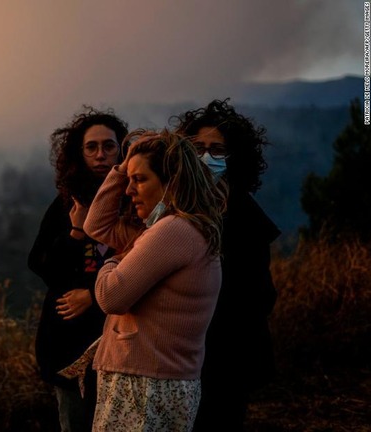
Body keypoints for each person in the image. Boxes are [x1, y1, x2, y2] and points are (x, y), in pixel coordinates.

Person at [83, 130, 227, 431]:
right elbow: (95, 224)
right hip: (158, 380)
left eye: (139, 180)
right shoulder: (177, 228)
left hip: (145, 384)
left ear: (170, 183)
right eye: (128, 180)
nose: (127, 189)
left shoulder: (172, 231)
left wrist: (117, 259)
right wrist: (124, 168)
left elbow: (111, 297)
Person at [172, 99, 281, 432]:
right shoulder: (181, 208)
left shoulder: (246, 218)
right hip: (185, 355)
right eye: (198, 147)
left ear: (236, 158)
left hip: (228, 356)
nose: (206, 156)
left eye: (217, 149)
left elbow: (261, 295)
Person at [28, 106, 129, 432]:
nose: (100, 155)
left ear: (122, 149)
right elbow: (41, 265)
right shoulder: (67, 203)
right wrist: (75, 231)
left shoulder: (133, 199)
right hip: (66, 340)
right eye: (91, 147)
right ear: (79, 153)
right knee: (73, 421)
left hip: (117, 337)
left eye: (109, 146)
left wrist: (93, 296)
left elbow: (142, 267)